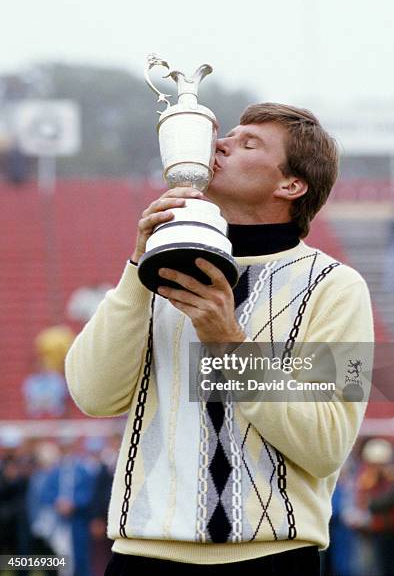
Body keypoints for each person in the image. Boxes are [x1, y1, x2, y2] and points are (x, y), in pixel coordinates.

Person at [65, 103, 374, 575]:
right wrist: (135, 269)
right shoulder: (159, 272)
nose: (220, 144)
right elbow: (93, 395)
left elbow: (326, 444)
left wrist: (231, 347)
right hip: (142, 555)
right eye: (226, 135)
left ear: (290, 185)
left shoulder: (334, 287)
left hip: (271, 558)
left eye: (248, 143)